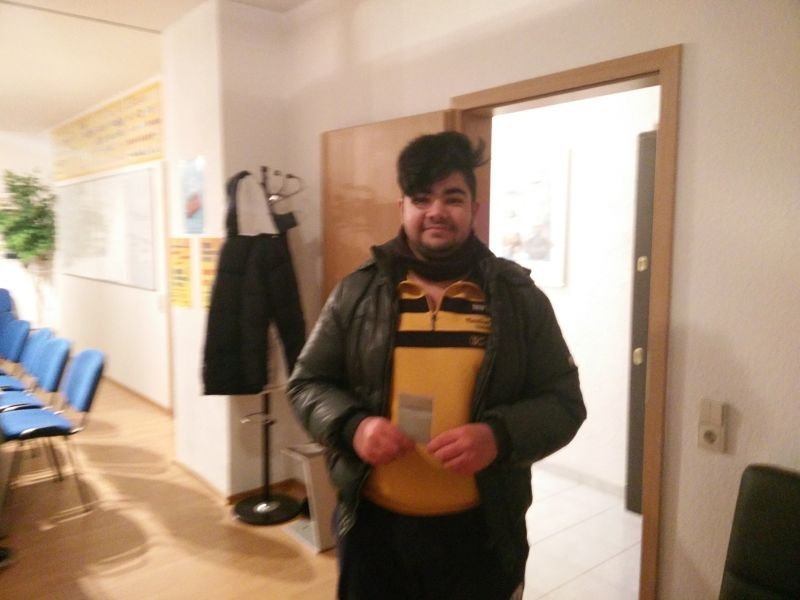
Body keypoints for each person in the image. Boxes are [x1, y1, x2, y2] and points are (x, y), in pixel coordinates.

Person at [288, 131, 585, 600]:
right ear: (401, 207)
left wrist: (498, 436)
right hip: (373, 533)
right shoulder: (356, 292)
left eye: (453, 197)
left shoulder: (518, 298)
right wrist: (353, 427)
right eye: (422, 198)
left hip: (480, 536)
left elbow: (564, 403)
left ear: (474, 209)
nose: (436, 211)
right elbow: (307, 383)